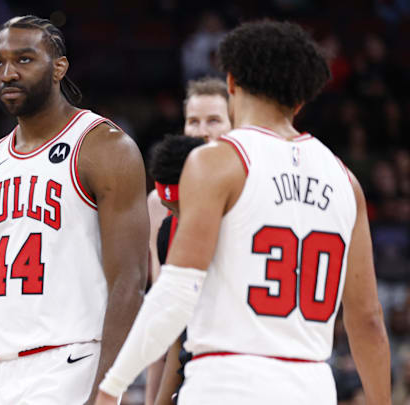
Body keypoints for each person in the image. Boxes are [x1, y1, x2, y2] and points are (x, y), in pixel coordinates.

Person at [98, 20, 391, 405]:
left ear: (231, 81)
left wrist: (112, 385)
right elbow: (367, 320)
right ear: (300, 100)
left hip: (227, 382)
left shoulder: (217, 161)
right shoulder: (346, 181)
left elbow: (176, 292)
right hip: (312, 385)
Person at [0, 15, 149, 405]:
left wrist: (107, 391)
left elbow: (130, 282)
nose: (8, 73)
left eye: (24, 59)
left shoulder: (104, 146)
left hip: (67, 364)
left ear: (59, 68)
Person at [145, 78, 230, 405]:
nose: (202, 131)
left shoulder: (252, 192)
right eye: (193, 121)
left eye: (214, 120)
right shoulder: (159, 202)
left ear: (233, 125)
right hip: (186, 370)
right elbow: (161, 317)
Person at [143, 135, 204, 405]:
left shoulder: (239, 229)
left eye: (185, 206)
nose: (179, 216)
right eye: (171, 209)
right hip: (193, 377)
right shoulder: (168, 232)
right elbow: (176, 332)